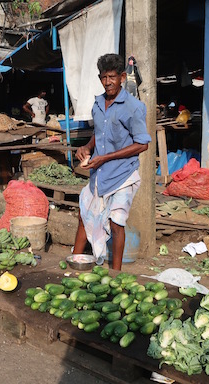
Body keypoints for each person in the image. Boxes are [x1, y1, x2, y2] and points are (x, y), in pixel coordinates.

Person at [72, 54, 150, 270]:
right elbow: (100, 132)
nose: (108, 82)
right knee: (84, 214)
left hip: (123, 174)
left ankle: (116, 274)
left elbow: (142, 144)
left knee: (116, 223)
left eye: (113, 77)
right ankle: (75, 263)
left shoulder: (133, 107)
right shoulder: (98, 104)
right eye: (104, 77)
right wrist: (87, 147)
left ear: (122, 77)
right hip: (100, 174)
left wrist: (105, 157)